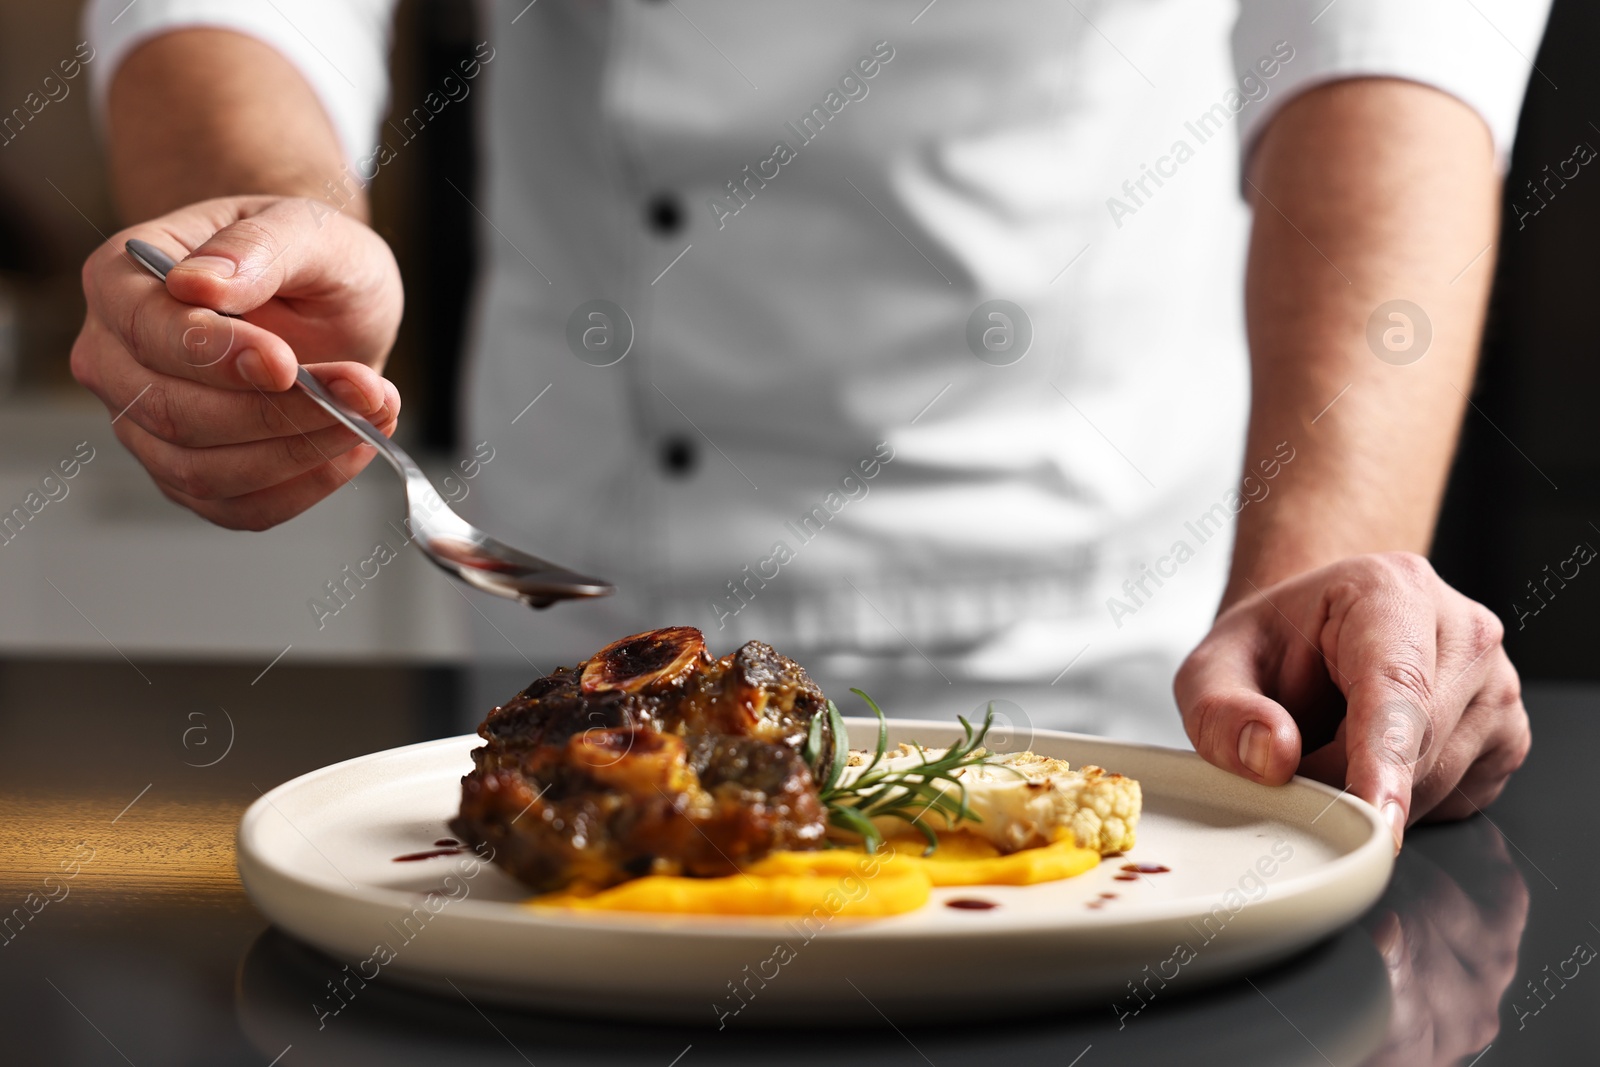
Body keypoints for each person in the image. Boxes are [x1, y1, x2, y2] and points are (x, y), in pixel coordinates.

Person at [73, 0, 1545, 849]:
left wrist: (1327, 567)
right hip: (570, 630)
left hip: (1113, 663)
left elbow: (1390, 48)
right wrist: (270, 231)